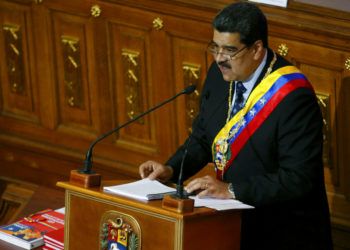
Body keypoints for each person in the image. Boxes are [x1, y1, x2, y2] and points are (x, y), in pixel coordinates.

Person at [139, 1, 333, 249]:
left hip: (283, 229)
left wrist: (232, 190)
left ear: (256, 49)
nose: (219, 59)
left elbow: (297, 178)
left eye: (229, 50)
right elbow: (202, 138)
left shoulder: (293, 96)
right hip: (231, 221)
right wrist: (170, 169)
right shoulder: (219, 76)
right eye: (215, 47)